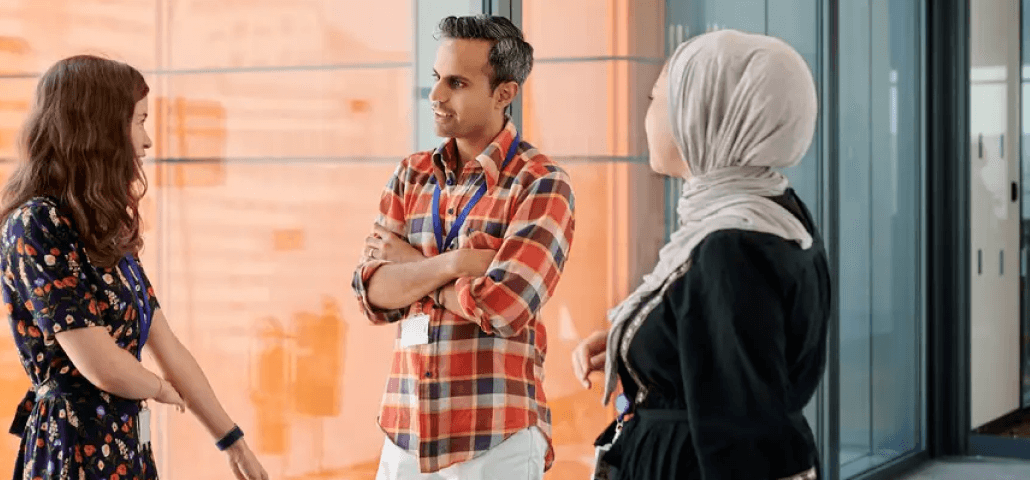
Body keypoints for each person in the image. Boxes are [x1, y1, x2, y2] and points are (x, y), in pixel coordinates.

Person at [0, 55, 268, 480]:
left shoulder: (101, 227)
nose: (146, 141)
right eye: (138, 122)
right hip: (72, 451)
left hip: (125, 447)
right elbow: (102, 365)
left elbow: (167, 345)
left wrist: (233, 442)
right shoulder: (36, 223)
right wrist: (160, 390)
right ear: (98, 129)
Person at [571, 30, 831, 480]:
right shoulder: (771, 213)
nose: (646, 116)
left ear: (703, 114)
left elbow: (743, 437)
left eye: (656, 99)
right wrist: (641, 342)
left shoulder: (733, 248)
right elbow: (726, 349)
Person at [351, 14, 576, 480]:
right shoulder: (411, 175)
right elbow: (370, 296)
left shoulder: (541, 184)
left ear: (504, 94)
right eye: (436, 79)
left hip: (495, 441)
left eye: (456, 83)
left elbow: (504, 308)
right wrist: (454, 264)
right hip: (404, 436)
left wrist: (412, 272)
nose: (435, 96)